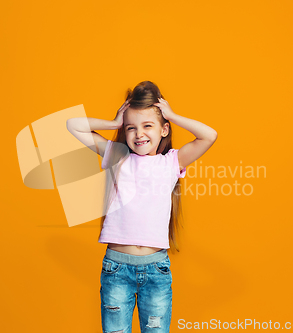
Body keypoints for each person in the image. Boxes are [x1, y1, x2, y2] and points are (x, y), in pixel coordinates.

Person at [66, 81, 217, 333]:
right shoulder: (118, 156)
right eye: (131, 128)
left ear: (164, 129)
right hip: (116, 268)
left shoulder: (171, 162)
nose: (139, 134)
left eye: (148, 126)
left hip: (156, 269)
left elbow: (209, 135)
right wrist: (113, 123)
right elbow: (73, 125)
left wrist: (173, 115)